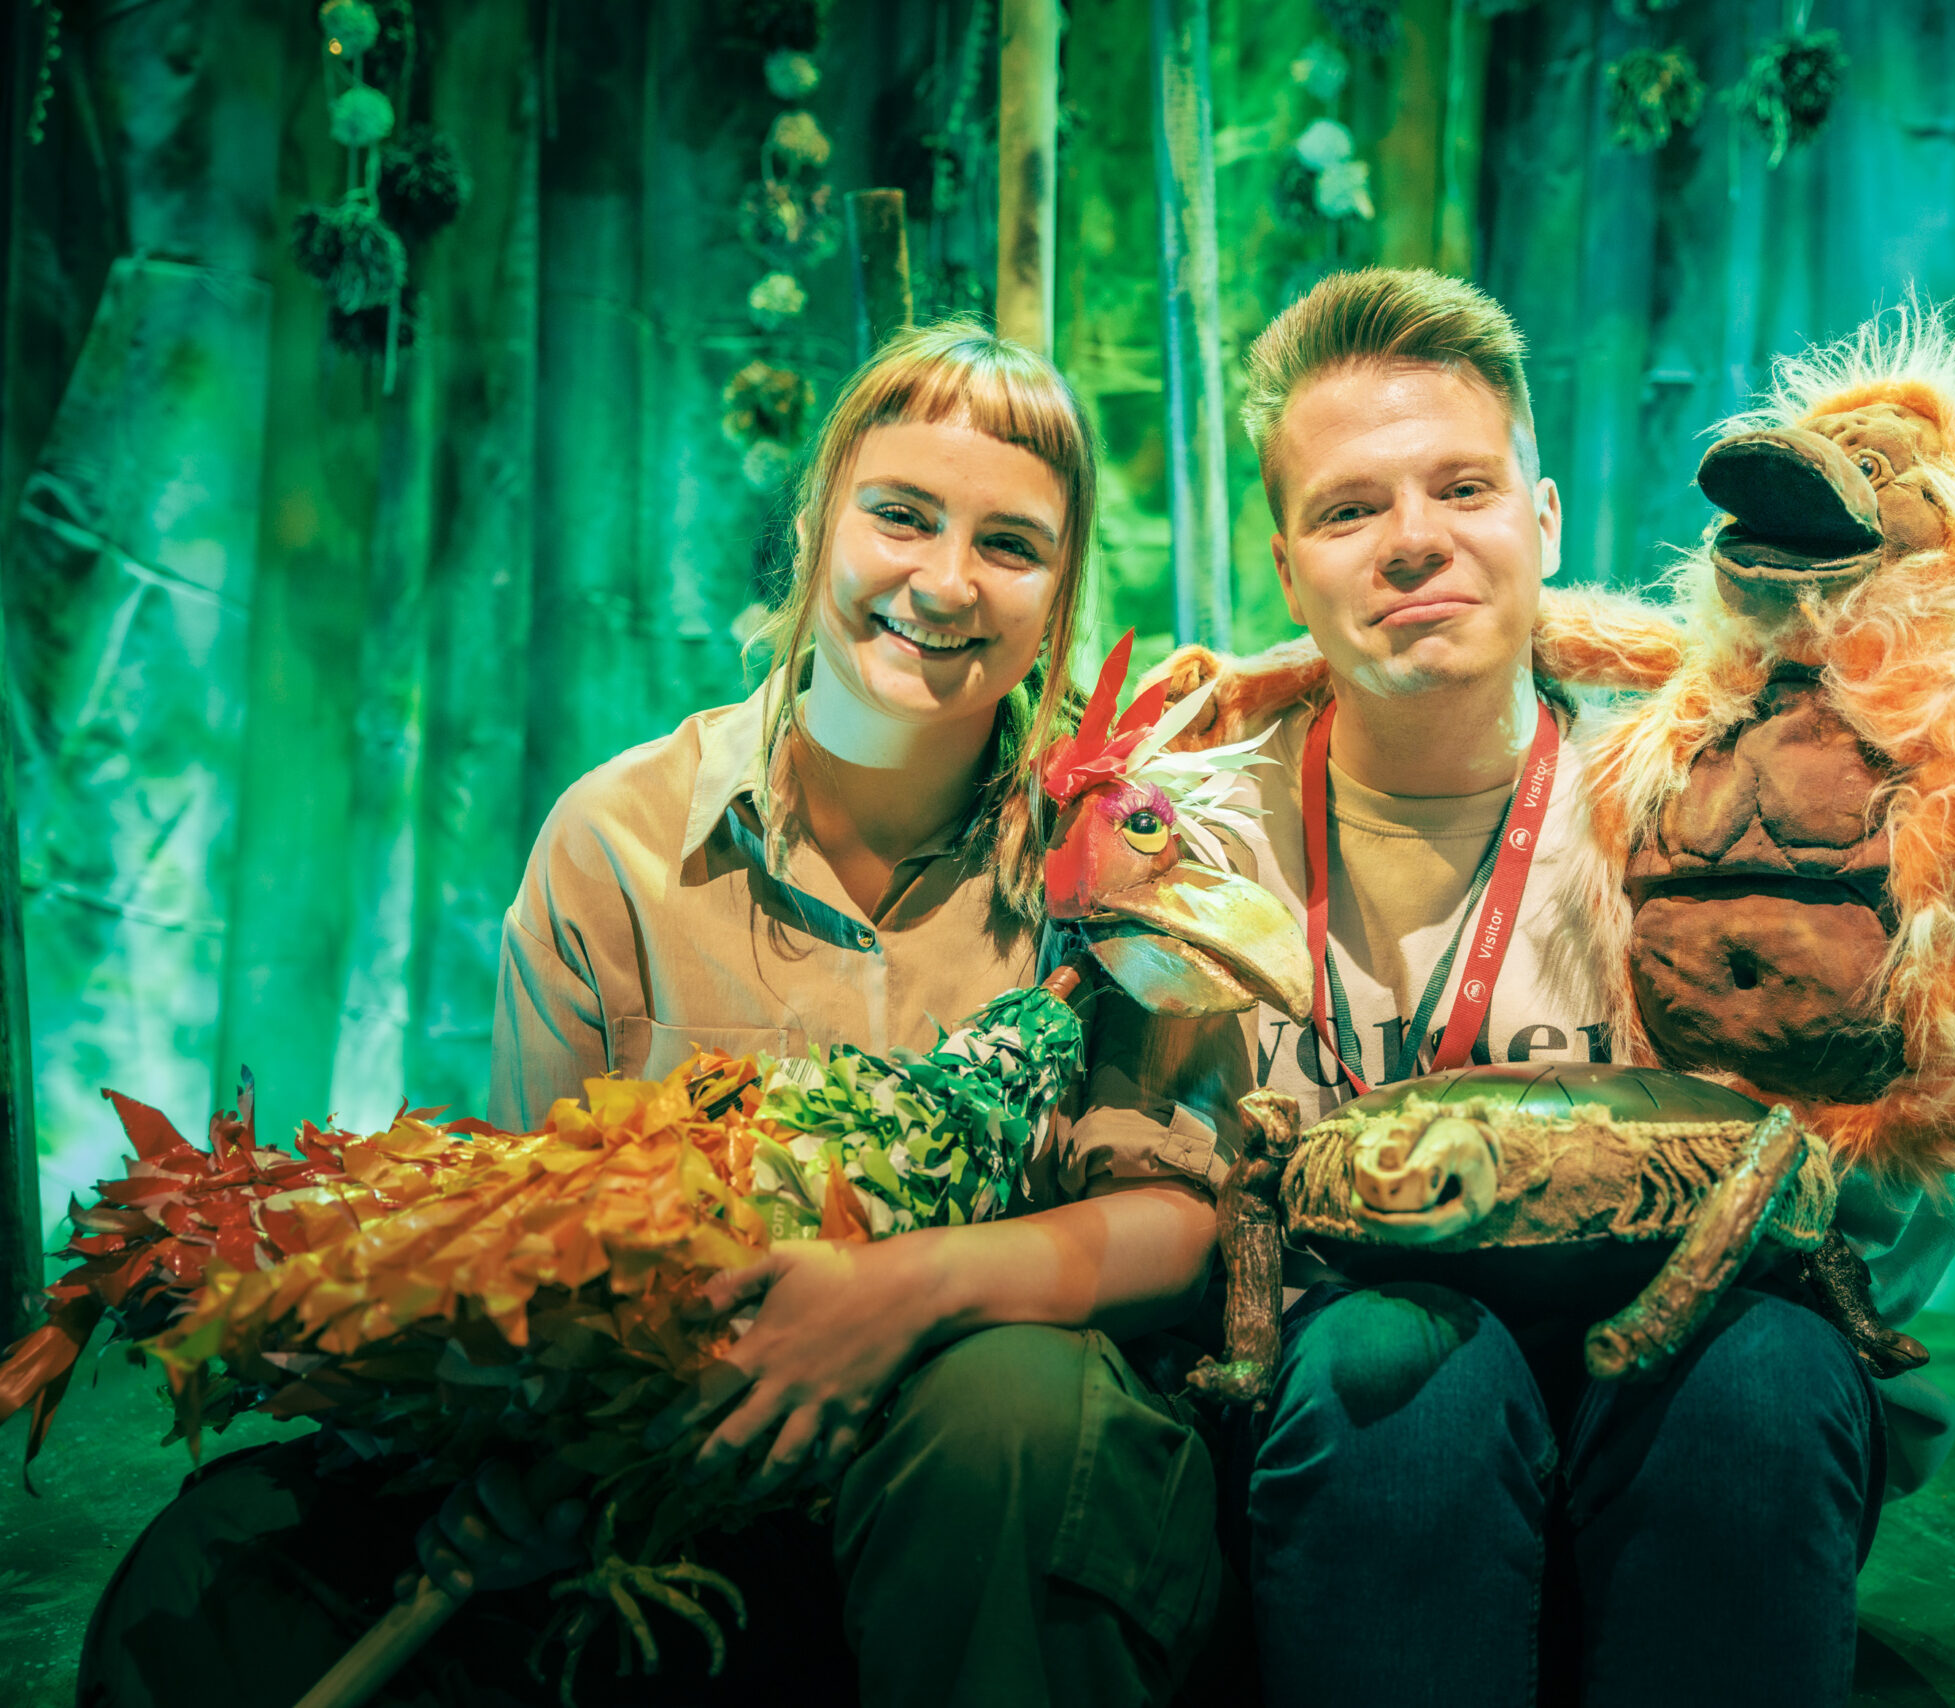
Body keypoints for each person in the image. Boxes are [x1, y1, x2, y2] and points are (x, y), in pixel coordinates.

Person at [78, 323, 1223, 1708]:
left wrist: (899, 1291)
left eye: (1010, 544)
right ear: (815, 525)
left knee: (1016, 1415)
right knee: (214, 1574)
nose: (944, 581)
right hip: (666, 1480)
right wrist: (538, 1460)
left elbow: (1179, 1223)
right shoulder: (617, 842)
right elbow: (531, 1232)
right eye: (903, 516)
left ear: (1059, 594)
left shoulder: (1103, 855)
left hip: (957, 1494)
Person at [1126, 269, 1955, 1707]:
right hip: (1354, 1422)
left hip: (1686, 1369)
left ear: (1546, 521)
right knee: (1396, 1362)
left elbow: (1907, 1206)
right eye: (1349, 508)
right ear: (1285, 566)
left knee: (1762, 1375)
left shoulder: (1715, 807)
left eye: (1463, 486)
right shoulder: (1193, 836)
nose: (1413, 544)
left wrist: (1847, 1097)